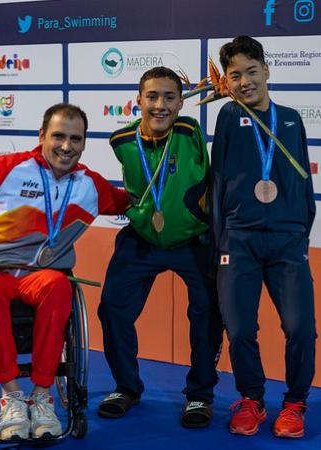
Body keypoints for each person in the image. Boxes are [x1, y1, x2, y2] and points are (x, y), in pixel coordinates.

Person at [0, 103, 128, 440]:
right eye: (58, 136)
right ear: (42, 136)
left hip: (38, 274)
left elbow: (127, 203)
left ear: (85, 144)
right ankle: (12, 396)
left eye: (76, 139)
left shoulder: (90, 185)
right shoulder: (8, 169)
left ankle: (43, 397)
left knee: (60, 286)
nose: (66, 146)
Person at [97, 66, 223, 428]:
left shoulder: (189, 131)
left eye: (170, 97)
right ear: (138, 101)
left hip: (192, 240)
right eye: (152, 96)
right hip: (142, 239)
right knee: (113, 309)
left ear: (182, 102)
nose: (160, 105)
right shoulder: (121, 140)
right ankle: (127, 387)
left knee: (207, 313)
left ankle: (200, 394)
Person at [210, 36, 317, 438]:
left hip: (287, 241)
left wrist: (301, 231)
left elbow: (303, 179)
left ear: (267, 71)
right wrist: (221, 240)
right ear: (227, 82)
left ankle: (295, 403)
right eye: (234, 75)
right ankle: (251, 398)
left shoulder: (290, 118)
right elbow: (218, 180)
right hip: (239, 239)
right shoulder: (226, 116)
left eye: (251, 72)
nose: (244, 82)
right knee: (239, 329)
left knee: (301, 327)